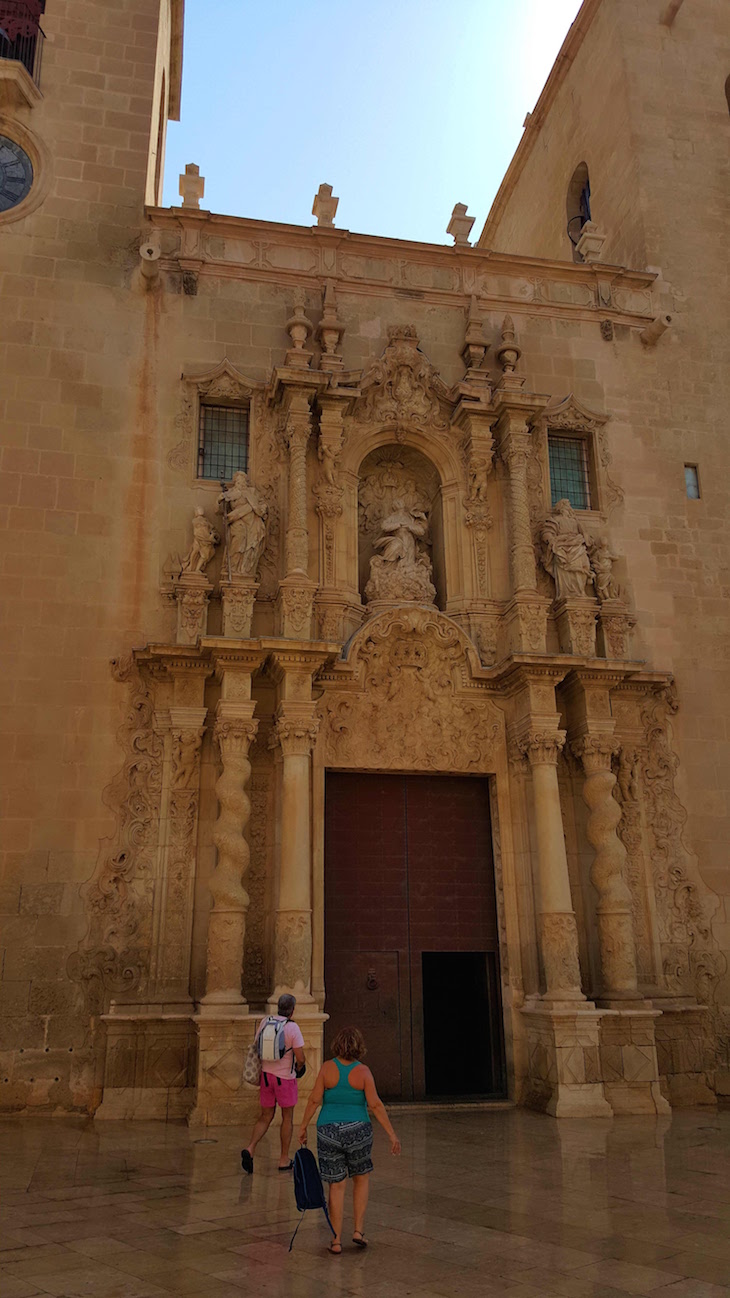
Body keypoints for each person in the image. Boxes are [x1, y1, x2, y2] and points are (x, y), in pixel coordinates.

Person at [297, 1027, 401, 1255]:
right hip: (358, 1131)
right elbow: (375, 1105)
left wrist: (304, 1126)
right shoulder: (363, 1072)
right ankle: (358, 1231)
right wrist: (392, 1134)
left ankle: (335, 1241)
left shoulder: (326, 1068)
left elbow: (314, 1100)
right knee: (361, 1178)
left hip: (328, 1131)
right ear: (358, 1046)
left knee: (336, 1184)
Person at [241, 994, 305, 1174]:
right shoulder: (292, 1028)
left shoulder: (265, 1022)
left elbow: (257, 1045)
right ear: (292, 1009)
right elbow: (300, 1057)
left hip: (266, 1077)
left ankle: (251, 1148)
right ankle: (284, 1159)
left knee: (265, 1116)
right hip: (285, 1078)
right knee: (287, 1118)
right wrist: (300, 1067)